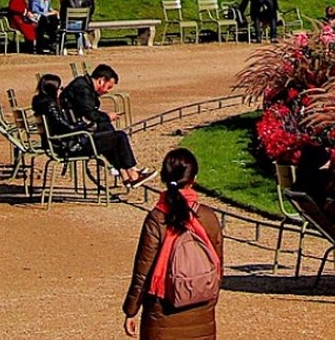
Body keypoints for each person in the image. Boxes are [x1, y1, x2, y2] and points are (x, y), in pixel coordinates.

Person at [124, 147, 224, 340]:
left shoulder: (157, 218)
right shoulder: (208, 216)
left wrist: (131, 309)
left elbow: (142, 271)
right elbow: (218, 266)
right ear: (194, 179)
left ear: (163, 177)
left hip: (162, 312)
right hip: (201, 305)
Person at [58, 63, 142, 185]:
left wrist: (105, 118)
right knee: (119, 136)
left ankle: (125, 172)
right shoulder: (83, 89)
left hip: (73, 137)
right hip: (75, 143)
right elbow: (91, 115)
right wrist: (107, 116)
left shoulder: (81, 85)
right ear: (101, 80)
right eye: (108, 87)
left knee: (107, 131)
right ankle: (131, 172)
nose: (107, 91)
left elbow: (89, 113)